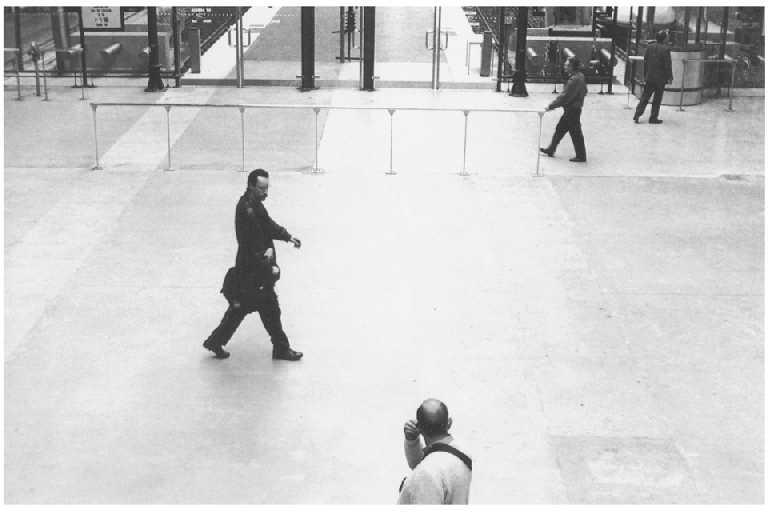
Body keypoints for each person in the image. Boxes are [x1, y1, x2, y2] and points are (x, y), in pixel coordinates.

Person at [202, 168, 303, 361]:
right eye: (262, 189)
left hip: (253, 273)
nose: (266, 193)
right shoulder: (247, 210)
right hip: (252, 274)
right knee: (263, 309)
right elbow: (253, 245)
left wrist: (287, 236)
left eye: (267, 188)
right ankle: (280, 348)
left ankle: (216, 341)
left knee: (251, 310)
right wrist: (268, 265)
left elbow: (268, 225)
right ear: (251, 186)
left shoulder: (255, 204)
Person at [397, 399, 472, 504]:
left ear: (419, 428)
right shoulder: (463, 454)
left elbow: (426, 469)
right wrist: (412, 441)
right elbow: (423, 463)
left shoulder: (427, 472)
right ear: (449, 423)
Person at [540, 56, 588, 163]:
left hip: (572, 110)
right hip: (573, 108)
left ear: (572, 67)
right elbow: (585, 91)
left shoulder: (574, 80)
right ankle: (551, 149)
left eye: (567, 65)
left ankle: (581, 156)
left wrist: (550, 106)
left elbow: (564, 97)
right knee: (560, 129)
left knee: (575, 133)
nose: (564, 66)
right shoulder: (580, 76)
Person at [633, 30, 673, 124]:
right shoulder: (666, 49)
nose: (667, 39)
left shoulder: (649, 47)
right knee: (657, 99)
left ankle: (637, 114)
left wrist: (646, 74)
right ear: (663, 39)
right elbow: (668, 65)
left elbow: (646, 61)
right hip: (660, 79)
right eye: (666, 37)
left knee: (645, 97)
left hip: (650, 77)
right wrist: (670, 77)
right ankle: (653, 118)